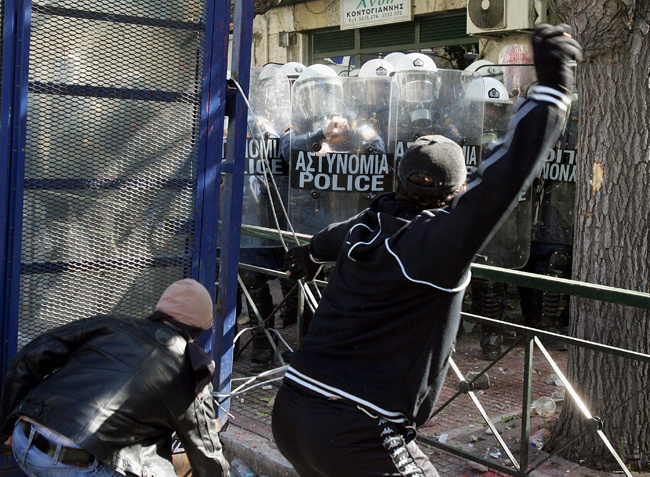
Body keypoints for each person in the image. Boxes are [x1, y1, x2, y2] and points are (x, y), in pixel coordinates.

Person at [271, 24, 581, 476]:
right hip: (357, 429)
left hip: (292, 409)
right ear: (455, 194)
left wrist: (309, 253)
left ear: (399, 181)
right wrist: (552, 91)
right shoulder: (436, 245)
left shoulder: (370, 223)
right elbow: (504, 176)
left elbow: (335, 236)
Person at [0, 279, 230, 477]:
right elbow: (207, 453)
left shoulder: (112, 324)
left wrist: (8, 425)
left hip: (24, 438)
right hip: (76, 467)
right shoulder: (191, 372)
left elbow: (28, 358)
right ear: (200, 328)